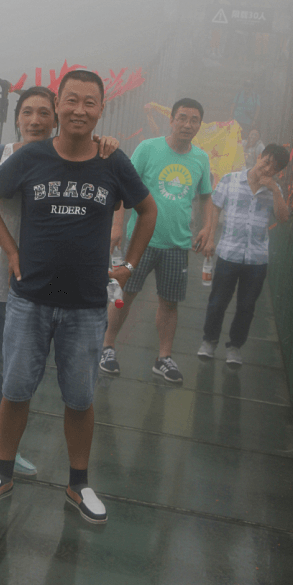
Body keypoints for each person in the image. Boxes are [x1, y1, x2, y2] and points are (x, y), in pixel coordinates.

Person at [0, 70, 157, 524]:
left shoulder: (113, 162)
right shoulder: (31, 156)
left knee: (79, 398)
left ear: (101, 109)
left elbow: (148, 210)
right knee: (15, 390)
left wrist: (130, 265)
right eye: (71, 100)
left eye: (89, 103)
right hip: (29, 299)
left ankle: (79, 484)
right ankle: (2, 474)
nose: (79, 110)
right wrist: (11, 251)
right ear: (58, 105)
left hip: (86, 306)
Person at [0, 86, 120, 488]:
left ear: (56, 118)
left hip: (19, 273)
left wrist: (104, 143)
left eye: (44, 113)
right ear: (17, 117)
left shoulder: (64, 158)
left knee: (6, 363)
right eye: (27, 112)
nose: (35, 120)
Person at [100, 98, 213, 383]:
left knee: (170, 303)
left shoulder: (201, 158)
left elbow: (205, 196)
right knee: (124, 295)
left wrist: (207, 227)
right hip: (141, 241)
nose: (187, 124)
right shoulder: (148, 148)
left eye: (194, 120)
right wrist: (117, 226)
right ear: (171, 120)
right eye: (182, 118)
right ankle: (107, 347)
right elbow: (121, 187)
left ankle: (163, 358)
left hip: (178, 243)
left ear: (199, 125)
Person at [197, 144, 290, 365]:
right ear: (258, 157)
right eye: (266, 162)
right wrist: (210, 239)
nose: (267, 169)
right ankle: (209, 341)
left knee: (247, 306)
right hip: (229, 252)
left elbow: (283, 218)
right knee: (218, 302)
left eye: (274, 168)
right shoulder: (230, 180)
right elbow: (215, 207)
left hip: (257, 258)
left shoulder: (274, 190)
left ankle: (235, 347)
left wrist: (275, 191)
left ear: (278, 172)